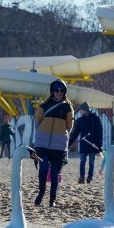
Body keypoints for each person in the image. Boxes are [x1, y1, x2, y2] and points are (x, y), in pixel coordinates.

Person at [33, 79, 74, 207]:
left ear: (64, 92)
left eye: (61, 90)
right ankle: (41, 191)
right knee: (43, 168)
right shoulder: (44, 105)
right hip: (43, 142)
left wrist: (62, 135)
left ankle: (53, 199)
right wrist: (41, 133)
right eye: (56, 90)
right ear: (52, 91)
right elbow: (37, 121)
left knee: (55, 172)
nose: (59, 92)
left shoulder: (68, 107)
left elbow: (70, 126)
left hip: (59, 143)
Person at [68, 101, 104, 184]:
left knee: (91, 162)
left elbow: (100, 133)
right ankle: (81, 177)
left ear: (85, 110)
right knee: (82, 161)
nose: (80, 111)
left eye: (81, 110)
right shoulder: (80, 121)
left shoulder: (96, 118)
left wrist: (100, 146)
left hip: (93, 144)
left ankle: (90, 178)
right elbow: (75, 133)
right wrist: (69, 143)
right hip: (84, 144)